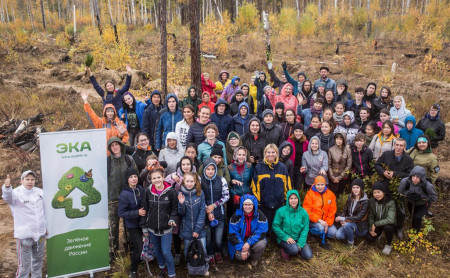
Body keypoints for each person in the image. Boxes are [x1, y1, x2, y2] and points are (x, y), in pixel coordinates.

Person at [2, 171, 46, 278]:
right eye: (27, 179)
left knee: (37, 263)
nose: (30, 182)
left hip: (40, 234)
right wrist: (7, 187)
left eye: (32, 179)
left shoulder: (40, 192)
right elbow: (8, 197)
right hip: (25, 236)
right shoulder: (16, 193)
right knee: (24, 266)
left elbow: (45, 211)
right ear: (22, 181)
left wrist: (46, 227)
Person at [140, 167, 178, 278]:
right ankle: (162, 268)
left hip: (166, 227)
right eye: (154, 178)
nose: (157, 180)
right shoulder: (148, 191)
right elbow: (144, 209)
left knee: (166, 251)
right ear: (151, 180)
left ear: (163, 177)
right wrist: (144, 227)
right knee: (157, 250)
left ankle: (172, 273)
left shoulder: (170, 191)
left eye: (159, 177)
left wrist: (172, 219)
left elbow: (174, 208)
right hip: (152, 227)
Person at [251, 144, 292, 239]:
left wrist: (287, 199)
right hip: (265, 203)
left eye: (273, 152)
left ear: (277, 153)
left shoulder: (282, 167)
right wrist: (258, 201)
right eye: (268, 152)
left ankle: (276, 239)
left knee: (277, 223)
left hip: (279, 202)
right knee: (266, 224)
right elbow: (255, 186)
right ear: (265, 154)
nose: (271, 154)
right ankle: (266, 240)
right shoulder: (259, 167)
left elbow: (287, 185)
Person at [107, 137, 138, 259]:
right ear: (110, 148)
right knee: (113, 228)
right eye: (112, 145)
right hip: (112, 199)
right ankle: (112, 253)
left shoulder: (128, 159)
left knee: (129, 227)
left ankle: (130, 251)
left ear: (121, 145)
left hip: (128, 198)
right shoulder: (107, 161)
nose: (115, 147)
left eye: (117, 144)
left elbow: (135, 175)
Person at [201, 158, 230, 266]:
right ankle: (210, 254)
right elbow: (199, 196)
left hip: (219, 214)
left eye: (213, 169)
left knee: (218, 240)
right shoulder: (200, 180)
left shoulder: (221, 180)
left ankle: (218, 251)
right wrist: (207, 210)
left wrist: (214, 205)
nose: (210, 171)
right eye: (208, 169)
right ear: (204, 169)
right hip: (205, 215)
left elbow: (226, 195)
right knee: (208, 239)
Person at [118, 168, 145, 278]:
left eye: (135, 176)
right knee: (139, 247)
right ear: (127, 180)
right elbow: (121, 213)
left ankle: (145, 261)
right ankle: (133, 270)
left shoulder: (140, 188)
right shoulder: (124, 194)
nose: (134, 179)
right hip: (133, 225)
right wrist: (137, 212)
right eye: (131, 177)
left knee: (144, 246)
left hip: (143, 223)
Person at [228, 195, 268, 267]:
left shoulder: (260, 215)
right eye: (245, 204)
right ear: (242, 205)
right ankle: (247, 252)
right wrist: (242, 248)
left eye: (250, 204)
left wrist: (248, 243)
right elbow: (232, 233)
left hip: (253, 239)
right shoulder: (236, 215)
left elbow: (262, 231)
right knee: (239, 256)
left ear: (254, 205)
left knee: (262, 243)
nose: (247, 207)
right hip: (241, 239)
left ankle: (254, 258)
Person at [272, 190, 313, 260]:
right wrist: (285, 237)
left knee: (308, 256)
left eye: (295, 198)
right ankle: (285, 250)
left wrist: (300, 243)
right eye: (291, 198)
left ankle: (297, 248)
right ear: (288, 199)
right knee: (294, 250)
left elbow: (305, 228)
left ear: (298, 199)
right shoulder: (281, 211)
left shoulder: (303, 212)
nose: (293, 201)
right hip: (285, 238)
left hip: (298, 238)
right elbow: (275, 226)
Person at [177, 172, 207, 263]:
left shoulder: (200, 193)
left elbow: (202, 212)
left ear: (195, 182)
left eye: (191, 181)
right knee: (188, 250)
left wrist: (197, 229)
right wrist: (181, 204)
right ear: (184, 182)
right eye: (187, 181)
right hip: (187, 228)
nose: (189, 184)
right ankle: (190, 266)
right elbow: (181, 213)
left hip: (200, 227)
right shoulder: (180, 193)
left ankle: (203, 266)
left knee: (202, 250)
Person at [398, 166, 438, 231]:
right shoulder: (405, 181)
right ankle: (413, 227)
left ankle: (417, 231)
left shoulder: (427, 186)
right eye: (413, 176)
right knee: (413, 216)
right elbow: (400, 191)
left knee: (418, 217)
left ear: (421, 178)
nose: (414, 179)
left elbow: (434, 198)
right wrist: (407, 194)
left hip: (423, 204)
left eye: (417, 177)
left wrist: (421, 197)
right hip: (411, 202)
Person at [303, 176, 337, 250]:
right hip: (314, 220)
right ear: (314, 185)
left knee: (333, 233)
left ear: (325, 185)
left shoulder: (330, 194)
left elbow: (332, 210)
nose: (320, 187)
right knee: (321, 228)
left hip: (326, 221)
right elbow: (306, 211)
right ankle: (315, 234)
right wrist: (319, 220)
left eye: (322, 184)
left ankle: (323, 233)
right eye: (318, 184)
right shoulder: (310, 194)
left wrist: (327, 223)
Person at [335, 179, 369, 246]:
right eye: (353, 187)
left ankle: (351, 243)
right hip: (349, 222)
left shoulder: (365, 201)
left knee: (347, 225)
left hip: (360, 227)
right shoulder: (350, 197)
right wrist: (342, 220)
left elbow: (359, 217)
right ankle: (351, 234)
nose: (355, 190)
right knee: (338, 235)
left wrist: (344, 219)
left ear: (361, 188)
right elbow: (345, 209)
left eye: (357, 188)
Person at [367, 182, 396, 255]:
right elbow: (370, 216)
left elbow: (390, 219)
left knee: (388, 227)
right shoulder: (371, 201)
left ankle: (388, 244)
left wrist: (375, 224)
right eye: (374, 193)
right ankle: (379, 234)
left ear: (383, 192)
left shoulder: (391, 202)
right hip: (377, 224)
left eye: (378, 192)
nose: (376, 194)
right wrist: (371, 228)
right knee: (369, 239)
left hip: (388, 224)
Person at [228, 147, 254, 213]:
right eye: (239, 154)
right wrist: (234, 195)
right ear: (235, 155)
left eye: (243, 155)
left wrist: (249, 193)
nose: (241, 157)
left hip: (247, 197)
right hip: (236, 198)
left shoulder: (249, 166)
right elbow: (228, 184)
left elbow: (252, 181)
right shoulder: (230, 167)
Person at [328, 132, 352, 197]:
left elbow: (349, 165)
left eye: (340, 139)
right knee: (332, 194)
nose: (338, 141)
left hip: (343, 176)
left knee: (341, 194)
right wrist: (333, 177)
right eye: (337, 139)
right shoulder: (331, 150)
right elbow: (329, 165)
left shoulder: (347, 149)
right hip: (333, 176)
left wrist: (340, 177)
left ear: (344, 140)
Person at [287, 123, 309, 190]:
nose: (298, 133)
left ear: (303, 132)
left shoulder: (306, 142)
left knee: (297, 187)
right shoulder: (289, 141)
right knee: (289, 186)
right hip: (291, 168)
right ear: (293, 132)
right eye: (296, 131)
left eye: (300, 131)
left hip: (300, 168)